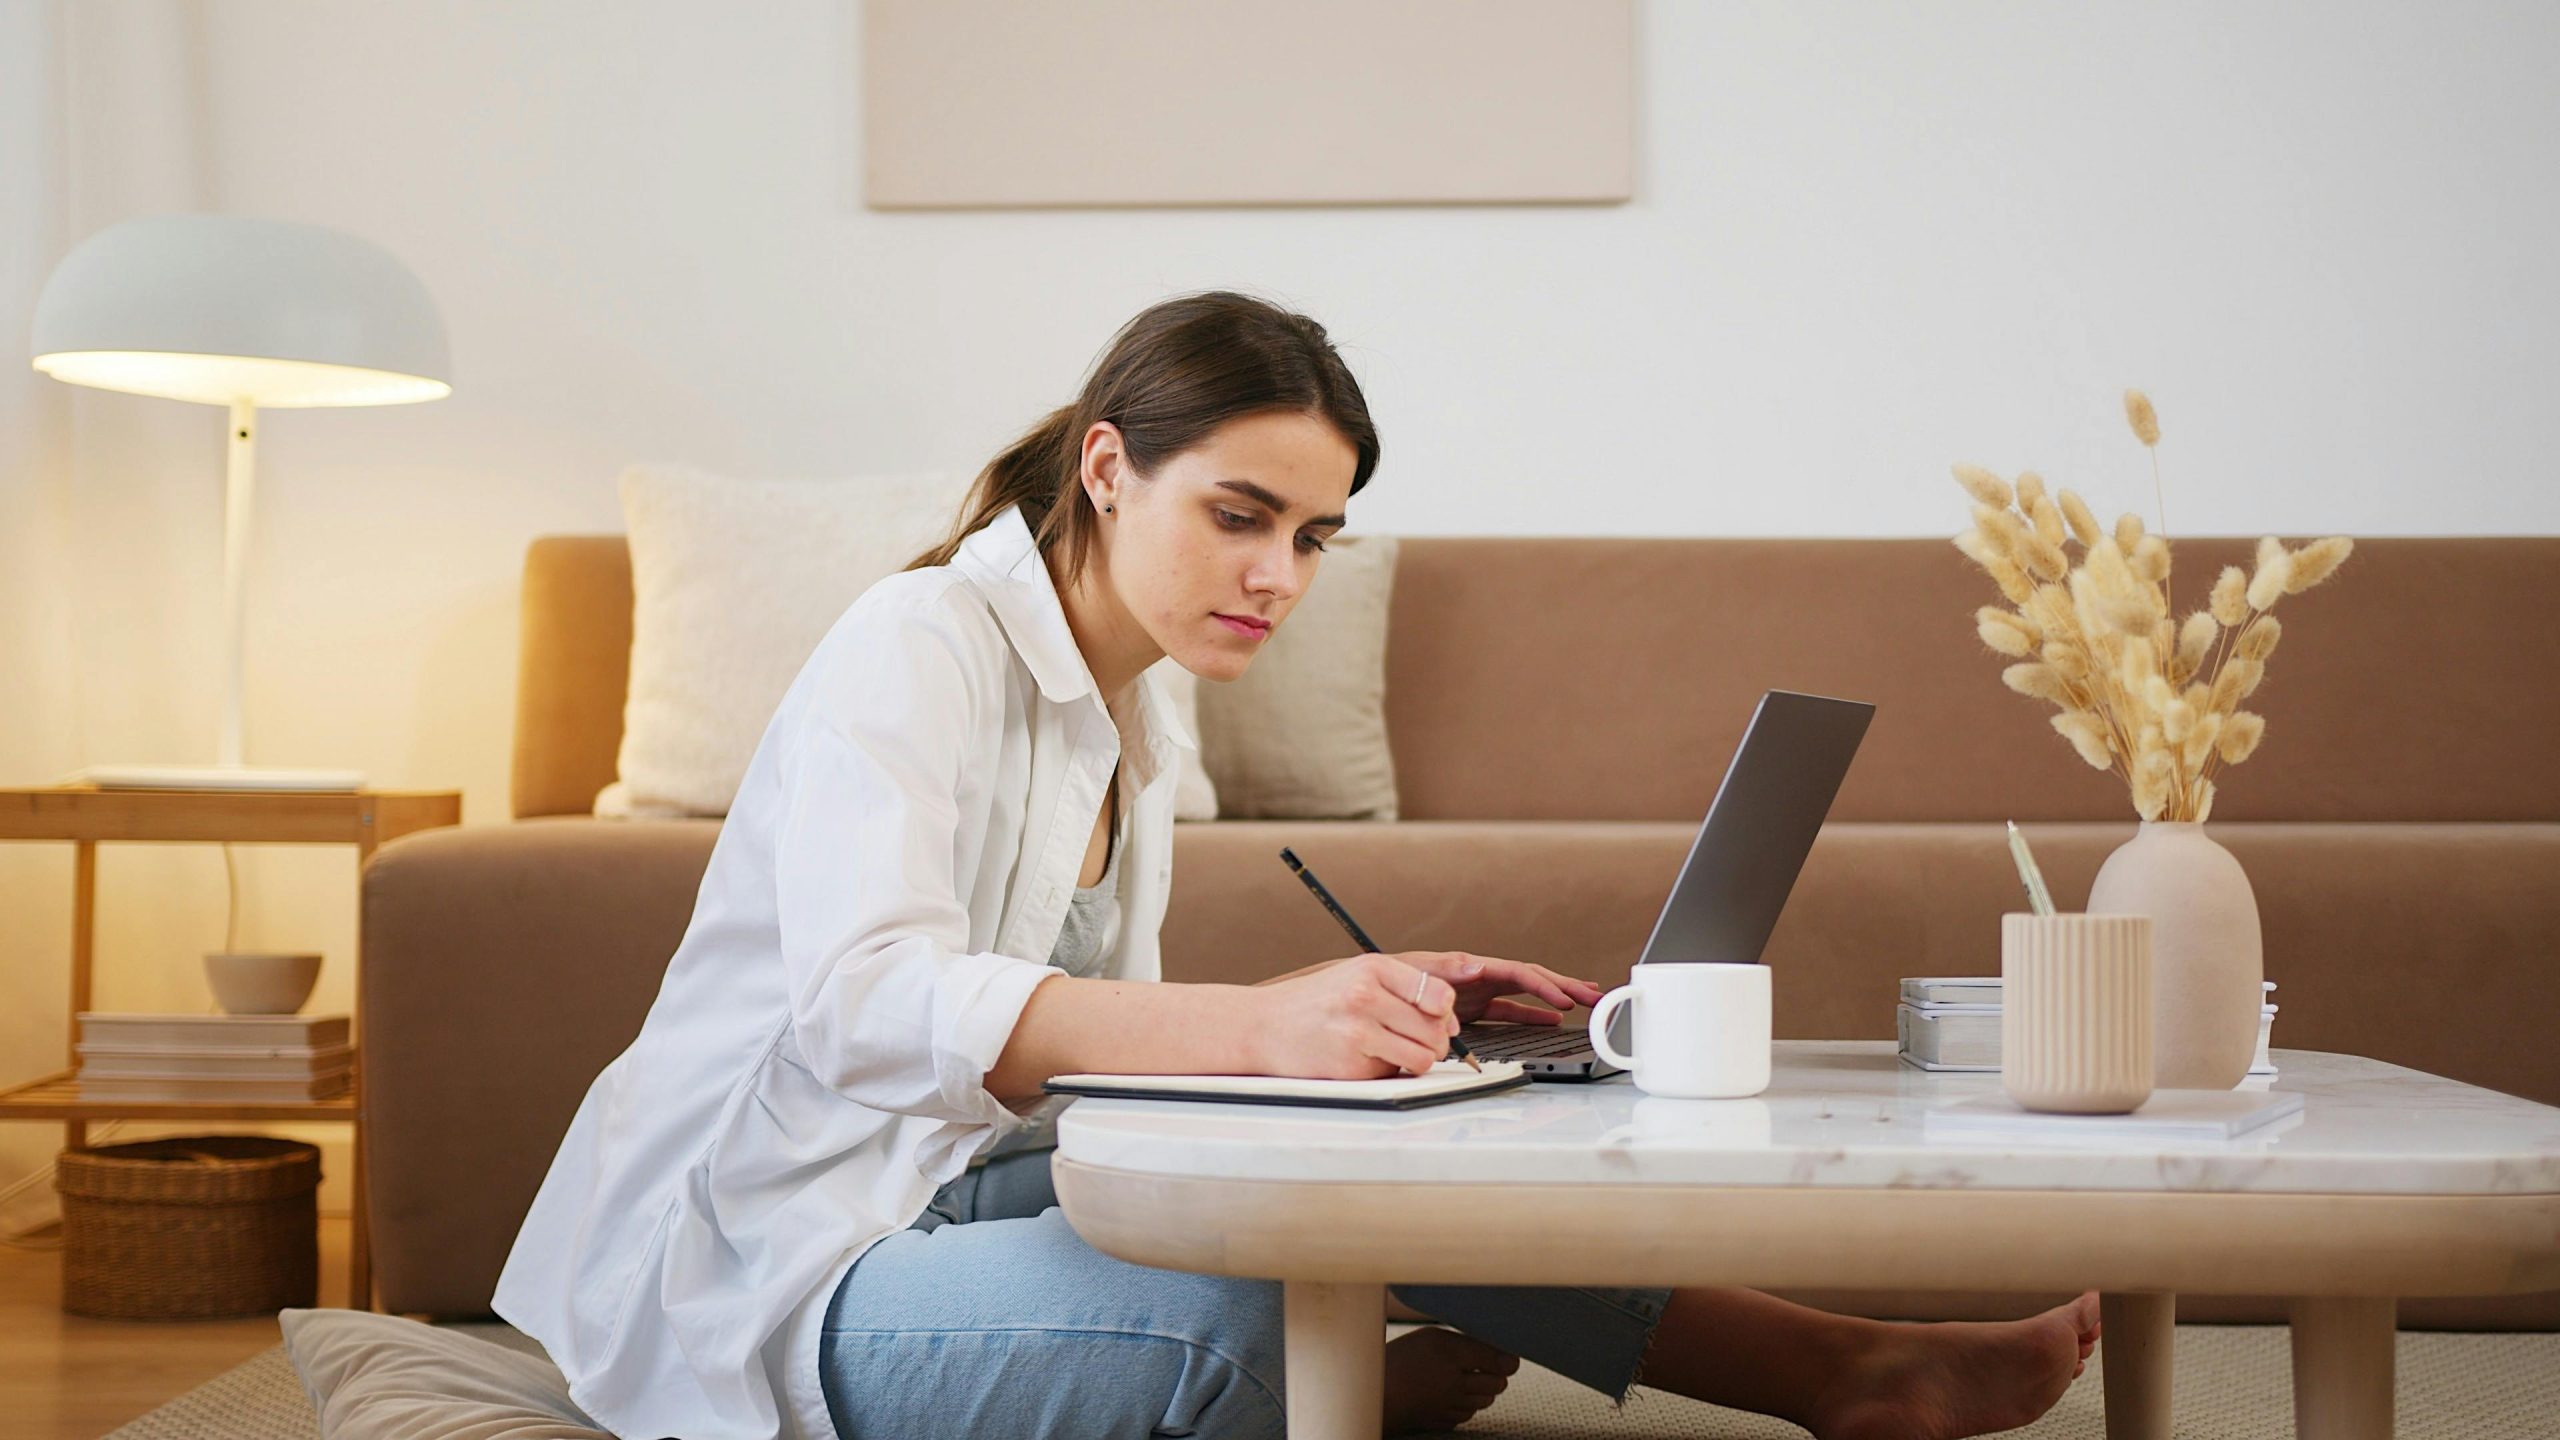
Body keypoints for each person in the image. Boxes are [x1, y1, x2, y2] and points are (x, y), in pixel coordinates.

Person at [494, 290, 2101, 1440]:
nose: (1279, 576)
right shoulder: (918, 643)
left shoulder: (1138, 709)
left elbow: (1074, 1052)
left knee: (1387, 1160)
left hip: (938, 1184)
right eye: (1242, 516)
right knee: (1251, 1316)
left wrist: (1342, 1020)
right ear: (1110, 468)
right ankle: (1340, 1398)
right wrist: (1264, 1032)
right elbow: (866, 1006)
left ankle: (1841, 1370)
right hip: (765, 1262)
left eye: (1313, 538)